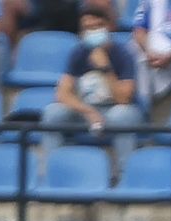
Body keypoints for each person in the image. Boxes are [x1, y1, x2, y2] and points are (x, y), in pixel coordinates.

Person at [41, 4, 146, 171]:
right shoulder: (79, 53)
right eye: (88, 28)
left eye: (97, 26)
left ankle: (124, 173)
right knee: (52, 112)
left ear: (108, 27)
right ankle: (50, 172)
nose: (93, 31)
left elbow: (124, 99)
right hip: (87, 111)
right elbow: (62, 94)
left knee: (121, 115)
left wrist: (106, 68)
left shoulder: (123, 54)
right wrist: (88, 111)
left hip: (117, 110)